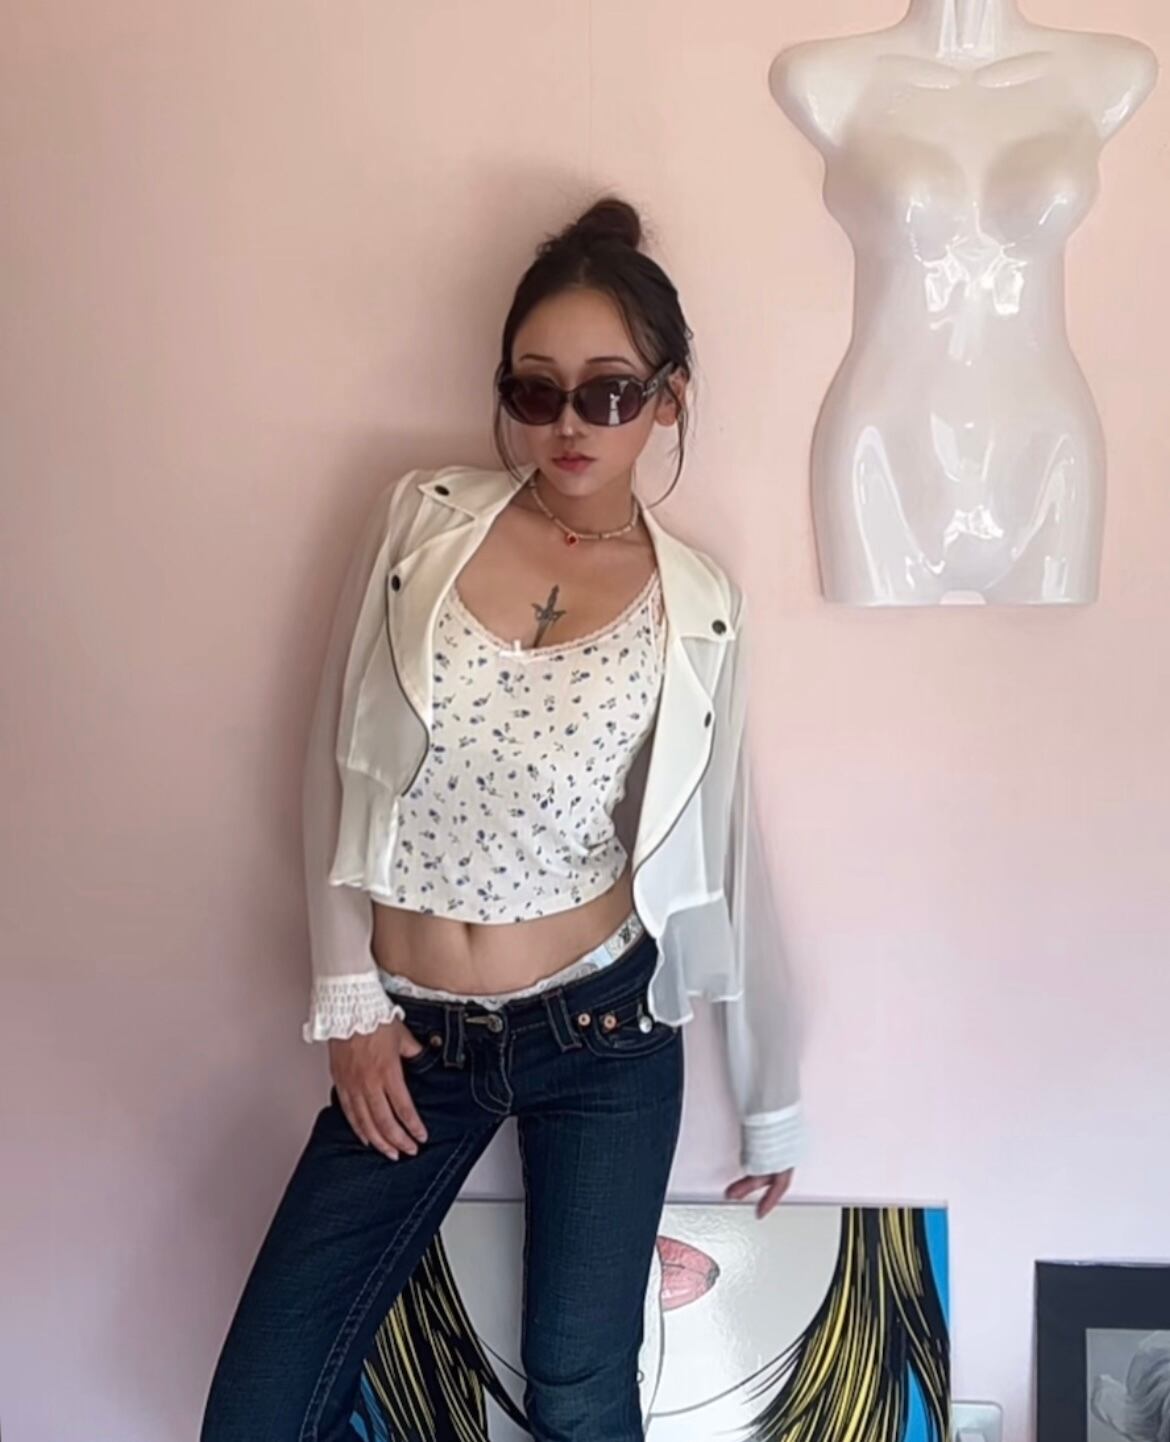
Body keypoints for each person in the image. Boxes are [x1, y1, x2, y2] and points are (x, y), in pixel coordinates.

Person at [199, 195, 805, 1442]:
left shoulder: (697, 599)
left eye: (610, 392)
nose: (569, 423)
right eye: (536, 390)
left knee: (580, 1389)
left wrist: (772, 1094)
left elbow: (725, 847)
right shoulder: (422, 518)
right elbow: (334, 755)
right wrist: (350, 1001)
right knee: (264, 1401)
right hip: (411, 1034)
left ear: (670, 399)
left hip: (604, 1030)